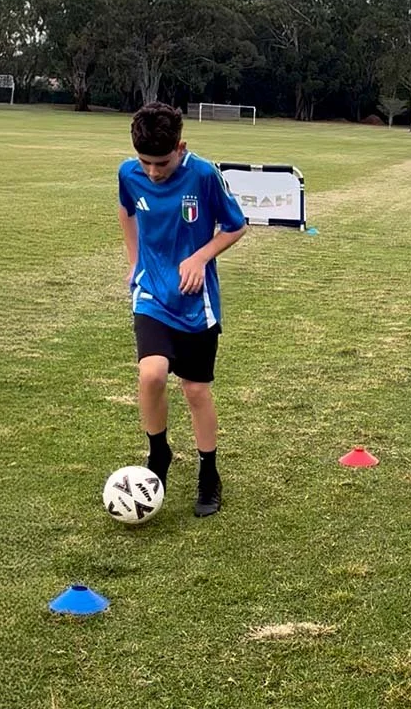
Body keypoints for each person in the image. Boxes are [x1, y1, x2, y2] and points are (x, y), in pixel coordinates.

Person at [118, 102, 247, 517]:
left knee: (195, 390)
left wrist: (199, 258)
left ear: (181, 146)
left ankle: (209, 472)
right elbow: (126, 209)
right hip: (152, 294)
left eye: (163, 162)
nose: (153, 171)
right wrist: (135, 260)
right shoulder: (128, 174)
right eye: (146, 162)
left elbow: (236, 225)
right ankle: (159, 454)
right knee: (151, 372)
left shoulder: (204, 175)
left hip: (196, 303)